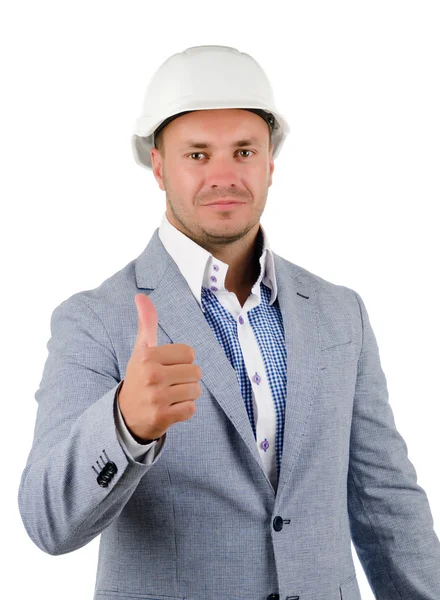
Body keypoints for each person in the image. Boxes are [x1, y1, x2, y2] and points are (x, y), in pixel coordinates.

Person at [18, 45, 440, 600]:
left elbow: (385, 499)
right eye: (197, 155)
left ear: (270, 163)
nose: (224, 175)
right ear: (159, 166)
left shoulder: (341, 314)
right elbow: (47, 522)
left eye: (243, 151)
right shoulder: (94, 320)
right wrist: (124, 426)